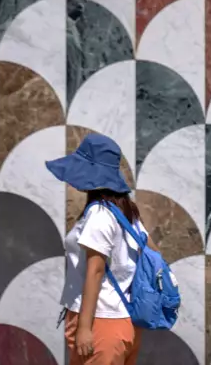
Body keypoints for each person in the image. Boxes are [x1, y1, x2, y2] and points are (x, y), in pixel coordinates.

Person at [46, 133, 158, 365]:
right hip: (126, 324)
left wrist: (85, 328)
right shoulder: (128, 213)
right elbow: (153, 254)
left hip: (100, 323)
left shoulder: (99, 215)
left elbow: (95, 271)